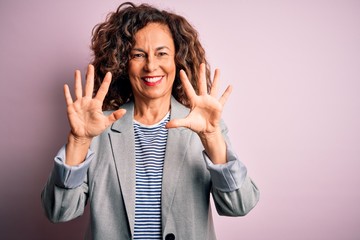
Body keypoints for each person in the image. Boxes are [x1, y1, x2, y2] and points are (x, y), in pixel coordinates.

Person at [41, 2, 260, 240]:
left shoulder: (203, 126)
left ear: (177, 59)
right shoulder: (97, 128)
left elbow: (240, 205)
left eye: (162, 53)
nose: (151, 66)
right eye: (138, 55)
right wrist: (78, 141)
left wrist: (211, 137)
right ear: (124, 62)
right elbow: (59, 212)